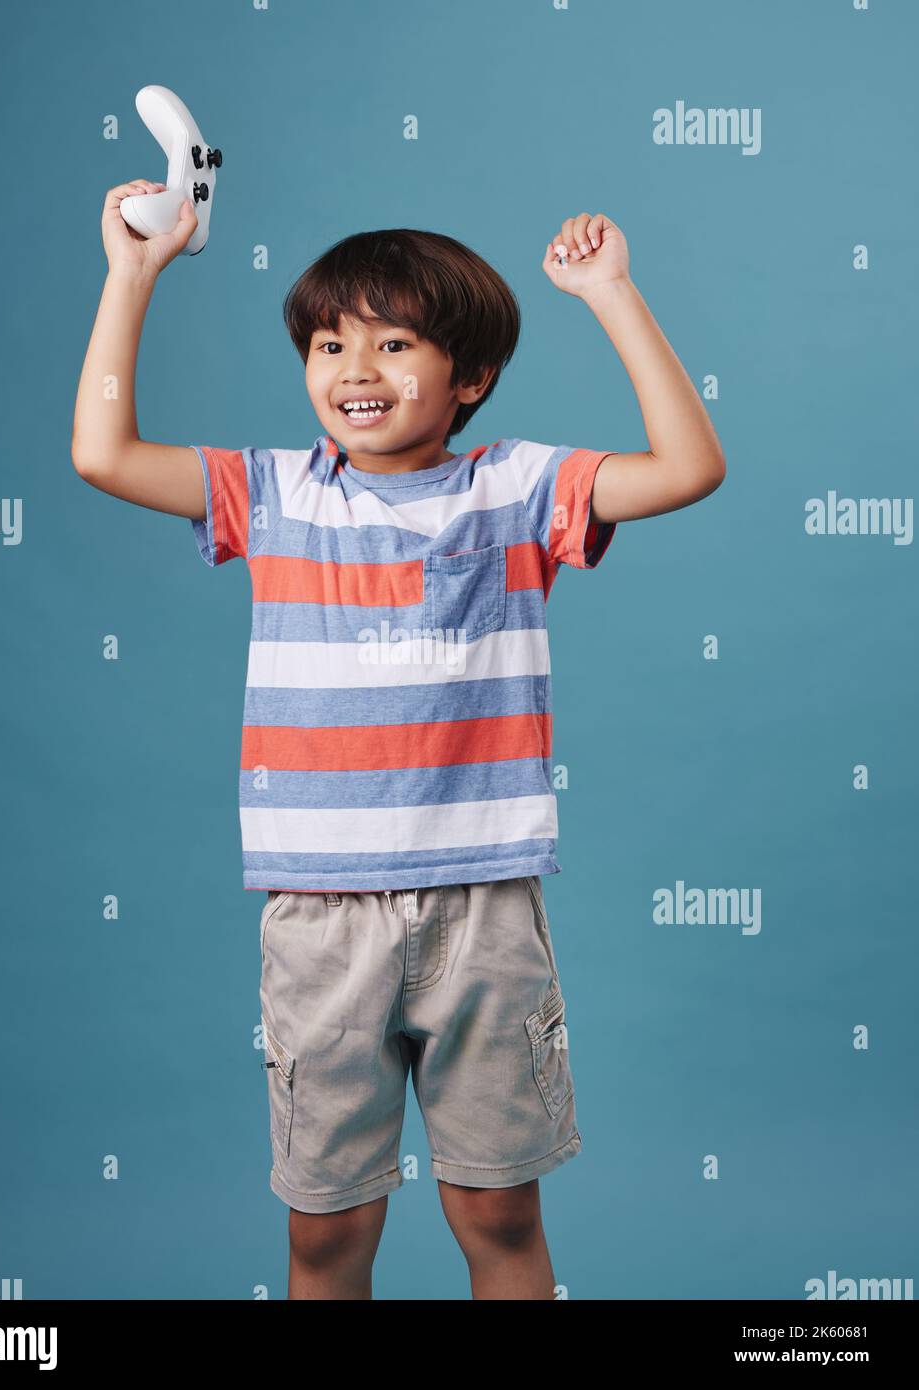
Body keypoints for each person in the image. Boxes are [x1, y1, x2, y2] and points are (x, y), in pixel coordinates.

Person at [72, 181, 726, 1300]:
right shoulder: (270, 495)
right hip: (319, 921)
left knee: (498, 1212)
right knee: (326, 1235)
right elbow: (103, 452)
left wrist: (611, 295)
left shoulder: (518, 489)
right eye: (329, 344)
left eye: (392, 342)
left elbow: (686, 467)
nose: (353, 369)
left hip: (484, 911)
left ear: (468, 377)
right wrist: (132, 273)